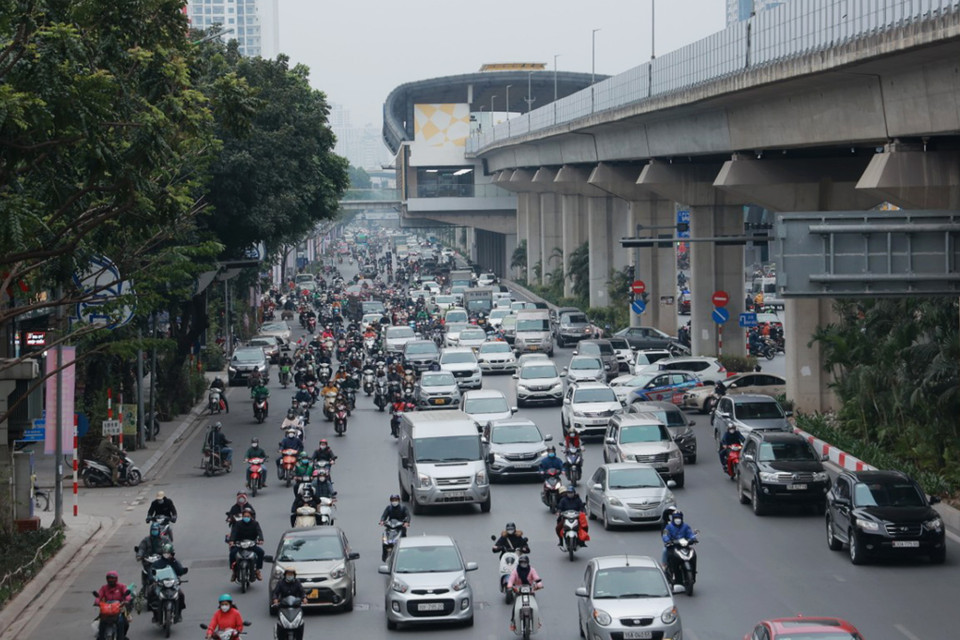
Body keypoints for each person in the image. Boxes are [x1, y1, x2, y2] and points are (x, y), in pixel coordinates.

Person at [147, 543, 187, 623]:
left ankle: (178, 613)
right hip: (160, 584)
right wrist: (152, 579)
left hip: (172, 584)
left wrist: (176, 563)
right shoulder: (157, 563)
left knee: (181, 595)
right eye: (165, 553)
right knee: (151, 592)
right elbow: (151, 571)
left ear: (172, 553)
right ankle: (155, 614)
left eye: (168, 553)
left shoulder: (175, 562)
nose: (167, 555)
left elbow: (180, 571)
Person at [506, 555, 542, 631]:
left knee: (535, 606)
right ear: (519, 563)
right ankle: (513, 622)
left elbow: (536, 578)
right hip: (518, 591)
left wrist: (539, 584)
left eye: (525, 562)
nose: (523, 564)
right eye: (522, 562)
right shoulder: (515, 571)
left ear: (527, 563)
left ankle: (537, 620)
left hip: (530, 591)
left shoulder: (532, 570)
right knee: (515, 606)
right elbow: (511, 580)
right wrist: (510, 586)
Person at [228, 507, 265, 581]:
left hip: (251, 544)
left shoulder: (255, 524)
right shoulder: (238, 524)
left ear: (251, 517)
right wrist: (231, 541)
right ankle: (234, 572)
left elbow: (259, 532)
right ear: (242, 516)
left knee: (261, 552)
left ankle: (257, 570)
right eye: (244, 516)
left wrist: (261, 539)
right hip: (240, 544)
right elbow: (234, 533)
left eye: (248, 516)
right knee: (232, 554)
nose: (246, 518)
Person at [94, 571, 132, 640]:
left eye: (113, 578)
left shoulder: (121, 586)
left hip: (118, 608)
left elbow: (127, 595)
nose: (111, 580)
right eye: (109, 578)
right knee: (101, 623)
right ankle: (101, 637)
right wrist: (97, 602)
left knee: (124, 623)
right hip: (106, 609)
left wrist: (126, 600)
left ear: (116, 579)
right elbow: (99, 596)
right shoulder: (104, 588)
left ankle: (121, 637)